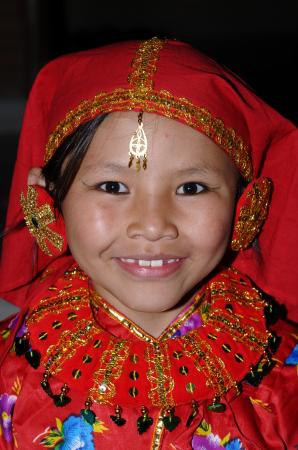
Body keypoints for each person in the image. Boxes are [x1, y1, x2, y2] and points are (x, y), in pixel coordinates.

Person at [0, 37, 297, 450]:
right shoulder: (8, 373)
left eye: (192, 187)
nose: (154, 225)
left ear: (247, 204)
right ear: (46, 198)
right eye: (113, 186)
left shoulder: (284, 376)